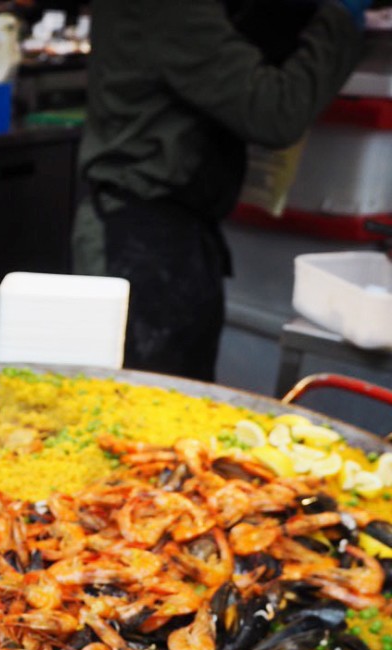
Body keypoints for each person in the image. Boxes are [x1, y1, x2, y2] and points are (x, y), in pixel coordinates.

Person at [72, 0, 371, 381]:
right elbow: (274, 111)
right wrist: (341, 18)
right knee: (138, 409)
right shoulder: (169, 10)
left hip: (173, 236)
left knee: (180, 409)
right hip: (138, 243)